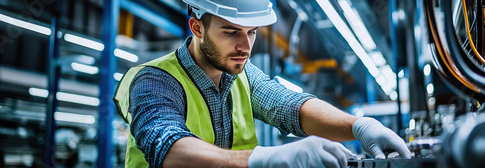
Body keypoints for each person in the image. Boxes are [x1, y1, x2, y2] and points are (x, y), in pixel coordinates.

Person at [113, 0, 411, 167]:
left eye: (252, 32)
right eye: (231, 32)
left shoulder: (242, 74)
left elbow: (290, 106)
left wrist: (359, 127)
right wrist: (265, 160)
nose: (246, 46)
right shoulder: (154, 80)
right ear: (197, 27)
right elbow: (168, 148)